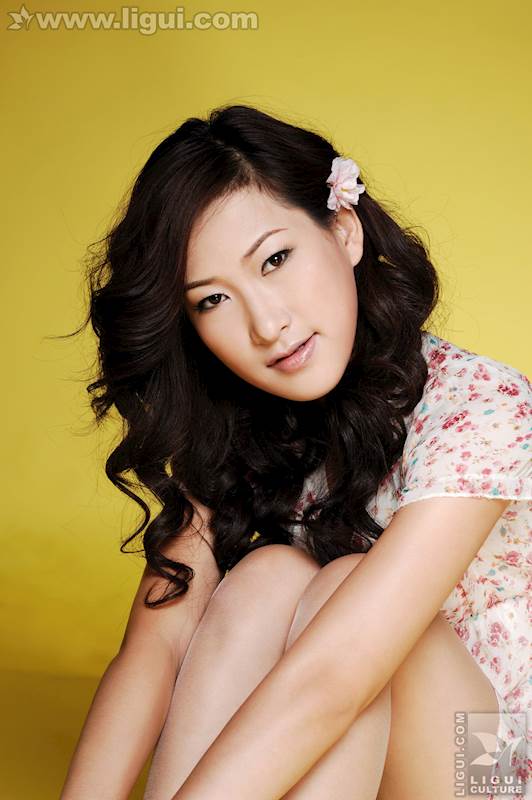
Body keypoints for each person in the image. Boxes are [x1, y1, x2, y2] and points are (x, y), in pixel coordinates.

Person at [60, 104, 531, 800]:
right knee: (268, 575)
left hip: (489, 769)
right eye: (213, 300)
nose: (266, 324)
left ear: (343, 230)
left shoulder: (482, 406)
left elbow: (336, 678)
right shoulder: (237, 424)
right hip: (357, 760)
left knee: (346, 588)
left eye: (275, 260)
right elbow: (155, 649)